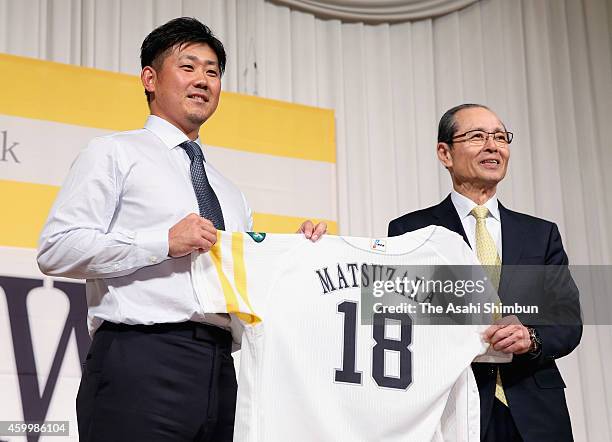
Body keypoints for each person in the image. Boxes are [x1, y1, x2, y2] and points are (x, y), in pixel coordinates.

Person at [37, 17, 325, 442]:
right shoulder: (114, 153)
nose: (204, 81)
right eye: (188, 67)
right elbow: (56, 249)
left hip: (220, 367)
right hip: (140, 359)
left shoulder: (228, 191)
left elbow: (243, 284)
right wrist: (163, 243)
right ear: (149, 79)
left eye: (212, 71)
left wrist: (300, 253)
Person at [388, 104, 582, 442]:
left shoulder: (540, 233)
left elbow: (567, 319)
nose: (493, 146)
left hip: (535, 408)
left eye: (499, 137)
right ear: (444, 153)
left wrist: (530, 337)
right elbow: (396, 317)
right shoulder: (411, 230)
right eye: (477, 136)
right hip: (452, 407)